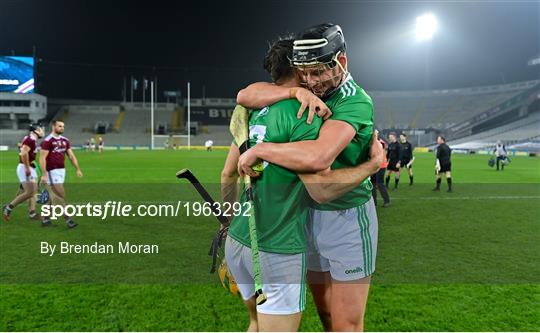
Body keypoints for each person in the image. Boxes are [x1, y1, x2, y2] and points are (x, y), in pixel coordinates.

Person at [222, 36, 382, 332]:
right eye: (304, 72)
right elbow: (245, 95)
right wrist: (295, 91)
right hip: (305, 216)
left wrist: (260, 150)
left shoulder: (354, 101)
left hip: (345, 215)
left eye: (317, 72)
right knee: (326, 313)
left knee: (346, 323)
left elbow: (320, 163)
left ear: (339, 64)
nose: (312, 80)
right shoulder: (302, 91)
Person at [40, 120, 83, 228]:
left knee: (52, 196)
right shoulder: (47, 141)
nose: (62, 128)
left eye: (63, 126)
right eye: (60, 126)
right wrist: (44, 174)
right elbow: (42, 158)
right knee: (61, 194)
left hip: (61, 171)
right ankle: (68, 220)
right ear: (53, 126)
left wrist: (77, 169)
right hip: (51, 171)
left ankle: (45, 219)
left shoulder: (65, 140)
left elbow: (71, 156)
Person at [3, 123, 45, 221]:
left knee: (31, 191)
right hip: (25, 167)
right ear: (35, 131)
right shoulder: (30, 140)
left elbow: (25, 151)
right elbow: (23, 154)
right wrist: (27, 168)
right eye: (40, 129)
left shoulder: (31, 139)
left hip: (30, 166)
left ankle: (32, 213)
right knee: (30, 192)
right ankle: (8, 208)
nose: (42, 131)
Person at [371, 130, 390, 207]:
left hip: (381, 166)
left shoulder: (381, 142)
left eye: (375, 134)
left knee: (380, 184)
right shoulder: (372, 142)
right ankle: (374, 203)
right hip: (374, 166)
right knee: (372, 184)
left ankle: (387, 201)